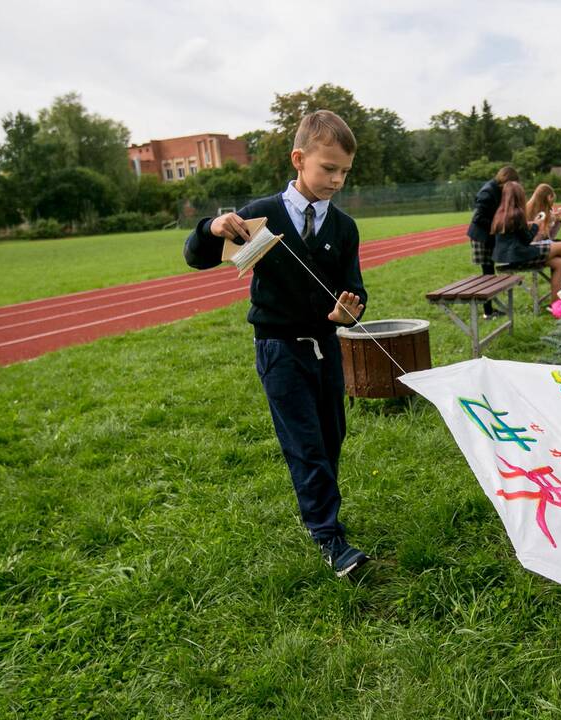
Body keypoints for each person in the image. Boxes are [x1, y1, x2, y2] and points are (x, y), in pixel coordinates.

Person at [183, 110, 370, 578]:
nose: (337, 180)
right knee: (305, 443)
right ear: (299, 159)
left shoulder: (344, 228)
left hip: (326, 349)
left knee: (331, 439)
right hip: (279, 349)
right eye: (329, 169)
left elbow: (355, 287)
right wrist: (212, 227)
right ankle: (329, 537)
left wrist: (350, 309)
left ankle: (320, 512)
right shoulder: (259, 214)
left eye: (345, 171)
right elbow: (197, 256)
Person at [492, 181, 561, 303]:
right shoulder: (517, 213)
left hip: (507, 256)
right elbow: (527, 239)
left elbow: (515, 233)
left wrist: (530, 224)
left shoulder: (501, 213)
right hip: (519, 255)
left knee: (560, 263)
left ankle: (555, 303)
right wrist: (536, 224)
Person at [467, 166, 520, 319]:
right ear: (505, 179)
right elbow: (478, 218)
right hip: (481, 238)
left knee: (490, 274)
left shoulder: (497, 189)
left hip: (489, 236)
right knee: (487, 275)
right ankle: (487, 312)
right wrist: (497, 224)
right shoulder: (487, 192)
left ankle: (489, 310)